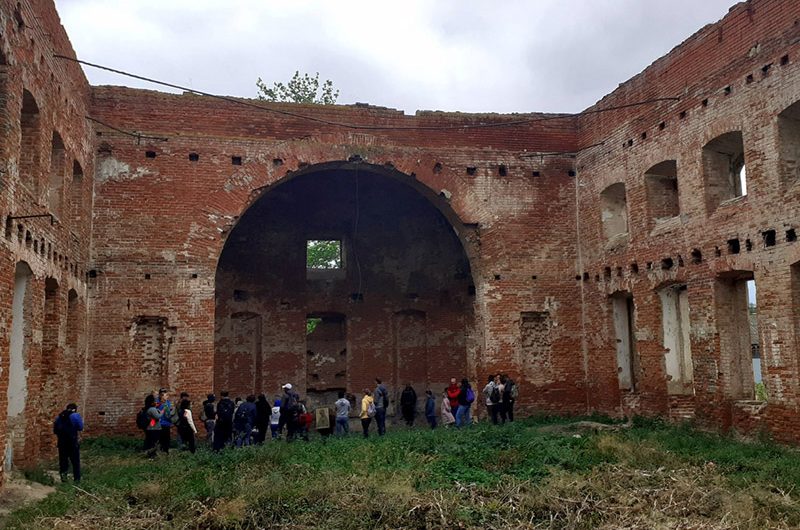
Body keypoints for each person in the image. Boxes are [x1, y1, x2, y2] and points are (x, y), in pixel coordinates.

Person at [53, 403, 83, 482]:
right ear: (75, 409)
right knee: (75, 462)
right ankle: (77, 480)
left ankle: (64, 479)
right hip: (72, 442)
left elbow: (55, 430)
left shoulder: (59, 417)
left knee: (63, 462)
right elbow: (80, 427)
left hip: (62, 443)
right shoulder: (75, 416)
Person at [156, 388, 176, 453]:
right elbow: (167, 415)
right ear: (160, 395)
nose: (167, 396)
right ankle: (162, 451)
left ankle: (164, 451)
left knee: (165, 439)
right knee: (162, 439)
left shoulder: (167, 402)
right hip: (160, 423)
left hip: (166, 423)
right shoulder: (157, 403)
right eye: (165, 395)